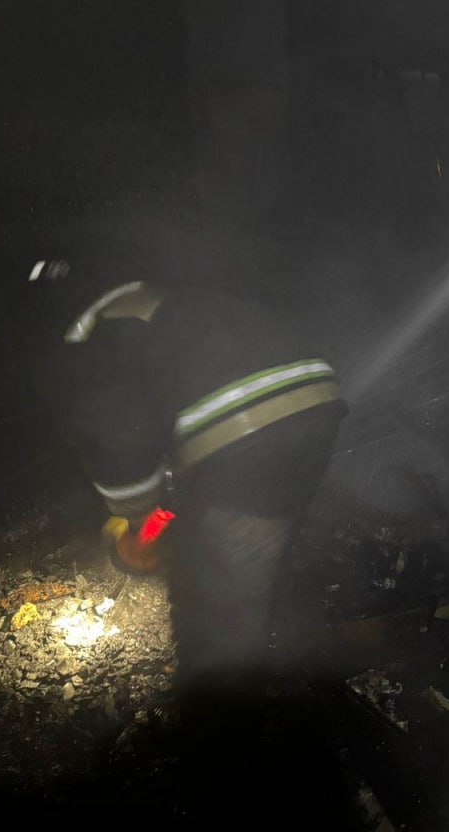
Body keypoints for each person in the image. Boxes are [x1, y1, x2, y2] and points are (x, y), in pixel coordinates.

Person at [36, 264, 351, 806]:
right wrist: (161, 519)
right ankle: (258, 638)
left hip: (251, 429)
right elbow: (175, 473)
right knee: (251, 537)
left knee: (216, 606)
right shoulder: (145, 301)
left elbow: (115, 436)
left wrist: (136, 526)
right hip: (314, 399)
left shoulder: (83, 337)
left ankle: (221, 759)